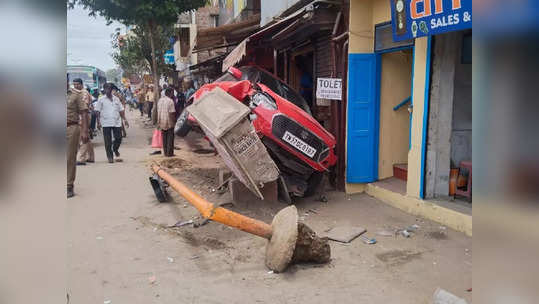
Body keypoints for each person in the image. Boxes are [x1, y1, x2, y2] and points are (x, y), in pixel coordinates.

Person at [95, 83, 129, 163]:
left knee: (119, 138)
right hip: (105, 122)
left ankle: (115, 149)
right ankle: (109, 156)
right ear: (104, 89)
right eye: (106, 89)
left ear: (111, 90)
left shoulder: (116, 99)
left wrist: (125, 119)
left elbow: (121, 110)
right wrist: (98, 122)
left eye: (109, 89)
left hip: (116, 121)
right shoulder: (101, 99)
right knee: (108, 140)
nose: (107, 90)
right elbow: (97, 111)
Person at [67, 78, 89, 198]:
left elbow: (84, 112)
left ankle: (68, 185)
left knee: (69, 157)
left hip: (71, 128)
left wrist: (85, 131)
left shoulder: (76, 95)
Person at [157, 88, 177, 157]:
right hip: (168, 121)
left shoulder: (160, 100)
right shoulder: (170, 101)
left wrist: (158, 122)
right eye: (172, 93)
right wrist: (174, 122)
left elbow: (158, 111)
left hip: (161, 121)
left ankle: (165, 152)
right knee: (170, 138)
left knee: (164, 138)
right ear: (170, 93)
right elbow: (172, 113)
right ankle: (169, 153)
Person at [78, 87, 95, 164]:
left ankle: (82, 158)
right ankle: (91, 157)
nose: (76, 86)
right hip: (83, 116)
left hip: (83, 116)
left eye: (77, 84)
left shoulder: (83, 93)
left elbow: (85, 106)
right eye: (74, 84)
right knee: (86, 136)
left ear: (81, 84)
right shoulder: (78, 92)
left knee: (82, 136)